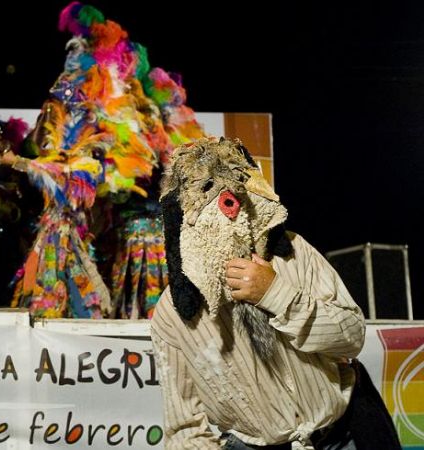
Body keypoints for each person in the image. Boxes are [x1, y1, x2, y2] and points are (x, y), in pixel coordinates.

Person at [150, 137, 398, 449]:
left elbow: (352, 336)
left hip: (345, 433)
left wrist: (275, 294)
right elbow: (185, 430)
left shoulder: (294, 253)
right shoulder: (172, 315)